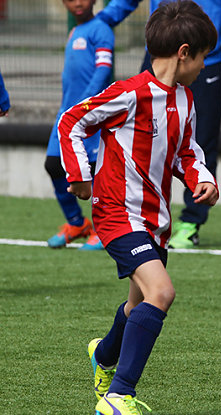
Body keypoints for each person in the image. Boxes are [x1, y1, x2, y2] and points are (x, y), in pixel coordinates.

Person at [58, 0, 218, 415]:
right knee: (161, 292)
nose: (205, 66)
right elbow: (72, 120)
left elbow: (187, 150)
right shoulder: (130, 93)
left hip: (155, 220)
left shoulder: (185, 100)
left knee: (136, 305)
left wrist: (201, 179)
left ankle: (104, 357)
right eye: (204, 56)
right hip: (115, 213)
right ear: (184, 52)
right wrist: (80, 176)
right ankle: (119, 395)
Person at [97, 0, 221, 249]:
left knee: (199, 140)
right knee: (135, 138)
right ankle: (124, 220)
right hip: (161, 56)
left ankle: (190, 222)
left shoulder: (201, 61)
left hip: (205, 60)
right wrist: (99, 23)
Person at [45, 0, 114, 250]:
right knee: (53, 165)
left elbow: (102, 71)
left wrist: (85, 106)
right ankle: (76, 223)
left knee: (97, 172)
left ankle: (104, 229)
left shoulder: (101, 29)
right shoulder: (73, 31)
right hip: (66, 115)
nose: (77, 2)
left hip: (88, 115)